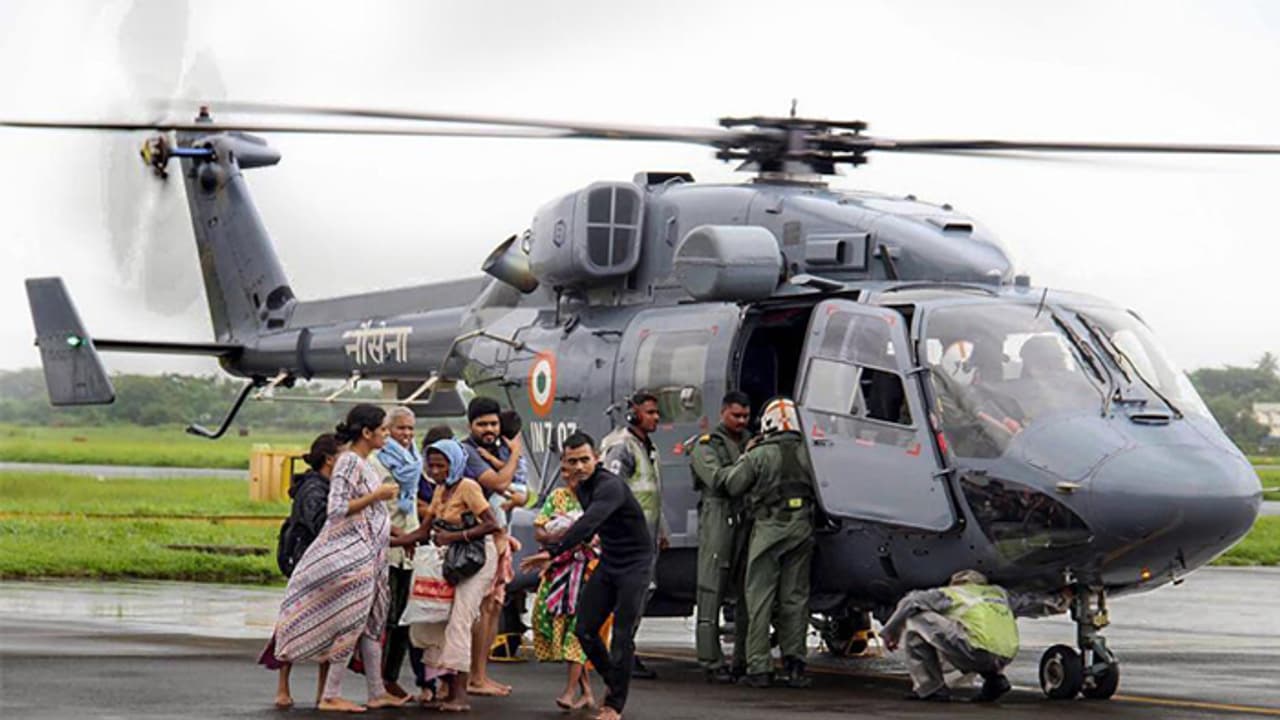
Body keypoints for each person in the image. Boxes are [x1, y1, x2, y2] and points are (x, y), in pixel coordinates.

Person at [271, 404, 410, 712]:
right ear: (366, 432)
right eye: (384, 430)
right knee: (351, 622)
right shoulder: (349, 462)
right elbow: (336, 510)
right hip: (350, 557)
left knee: (373, 624)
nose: (388, 436)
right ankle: (331, 694)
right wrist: (378, 496)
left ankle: (376, 691)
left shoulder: (365, 463)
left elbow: (367, 514)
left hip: (371, 557)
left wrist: (392, 529)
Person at [521, 432, 654, 720]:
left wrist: (552, 552)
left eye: (585, 459)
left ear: (597, 458)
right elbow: (589, 530)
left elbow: (589, 523)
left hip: (635, 564)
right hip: (610, 561)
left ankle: (614, 706)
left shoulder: (610, 486)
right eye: (573, 461)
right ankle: (613, 680)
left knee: (621, 636)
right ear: (564, 464)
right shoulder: (581, 487)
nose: (580, 466)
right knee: (584, 630)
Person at [392, 438, 502, 712]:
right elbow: (424, 530)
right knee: (434, 618)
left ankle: (460, 695)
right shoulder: (441, 490)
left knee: (459, 620)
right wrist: (389, 541)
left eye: (441, 465)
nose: (435, 471)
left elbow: (492, 524)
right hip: (453, 560)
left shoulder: (468, 487)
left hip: (475, 560)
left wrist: (456, 536)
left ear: (455, 464)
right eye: (432, 466)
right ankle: (444, 686)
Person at [722, 397, 817, 690]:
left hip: (769, 528)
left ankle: (760, 667)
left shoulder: (760, 454)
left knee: (759, 596)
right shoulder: (810, 452)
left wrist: (742, 457)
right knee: (795, 597)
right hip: (802, 527)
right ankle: (795, 665)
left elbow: (733, 485)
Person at [882, 570, 1070, 702]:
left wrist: (892, 631)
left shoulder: (954, 593)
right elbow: (1033, 602)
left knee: (915, 618)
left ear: (956, 583)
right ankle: (995, 680)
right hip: (1005, 656)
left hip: (973, 651)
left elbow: (911, 600)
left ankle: (930, 689)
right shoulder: (1000, 594)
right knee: (977, 634)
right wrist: (1063, 597)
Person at [259, 433, 341, 709]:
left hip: (323, 562)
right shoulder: (313, 489)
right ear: (330, 459)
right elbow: (320, 524)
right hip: (307, 562)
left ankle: (322, 691)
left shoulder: (328, 485)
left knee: (330, 626)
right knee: (293, 622)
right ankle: (283, 687)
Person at [459, 397, 526, 697]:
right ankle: (474, 676)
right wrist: (515, 454)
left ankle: (481, 674)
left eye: (493, 423)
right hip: (478, 538)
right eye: (482, 424)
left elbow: (523, 493)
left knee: (494, 606)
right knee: (481, 608)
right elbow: (500, 482)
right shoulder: (469, 451)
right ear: (470, 425)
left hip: (501, 536)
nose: (489, 429)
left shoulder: (498, 450)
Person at [600, 391, 666, 680]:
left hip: (646, 536)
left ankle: (623, 650)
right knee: (630, 595)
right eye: (649, 412)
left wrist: (660, 528)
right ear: (634, 413)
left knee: (641, 593)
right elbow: (612, 489)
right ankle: (620, 654)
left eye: (656, 412)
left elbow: (651, 492)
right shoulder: (623, 447)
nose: (655, 418)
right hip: (628, 538)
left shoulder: (648, 448)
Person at [690, 391, 751, 683]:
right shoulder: (706, 446)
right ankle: (710, 659)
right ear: (723, 412)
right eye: (736, 415)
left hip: (745, 516)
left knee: (746, 591)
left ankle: (742, 658)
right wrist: (750, 464)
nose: (741, 421)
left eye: (745, 416)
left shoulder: (751, 441)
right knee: (711, 588)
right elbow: (718, 480)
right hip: (718, 515)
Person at [371, 406, 423, 700]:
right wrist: (400, 535)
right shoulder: (376, 462)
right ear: (387, 430)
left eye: (410, 429)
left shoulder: (413, 462)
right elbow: (375, 509)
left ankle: (390, 677)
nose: (406, 435)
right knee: (385, 619)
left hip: (409, 550)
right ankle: (378, 681)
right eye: (401, 428)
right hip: (388, 548)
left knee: (404, 619)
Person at [531, 479, 597, 710]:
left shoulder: (599, 498)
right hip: (558, 575)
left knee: (577, 632)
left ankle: (570, 692)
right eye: (568, 467)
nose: (574, 474)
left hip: (587, 575)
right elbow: (539, 528)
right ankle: (586, 691)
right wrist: (558, 538)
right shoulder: (557, 496)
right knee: (545, 620)